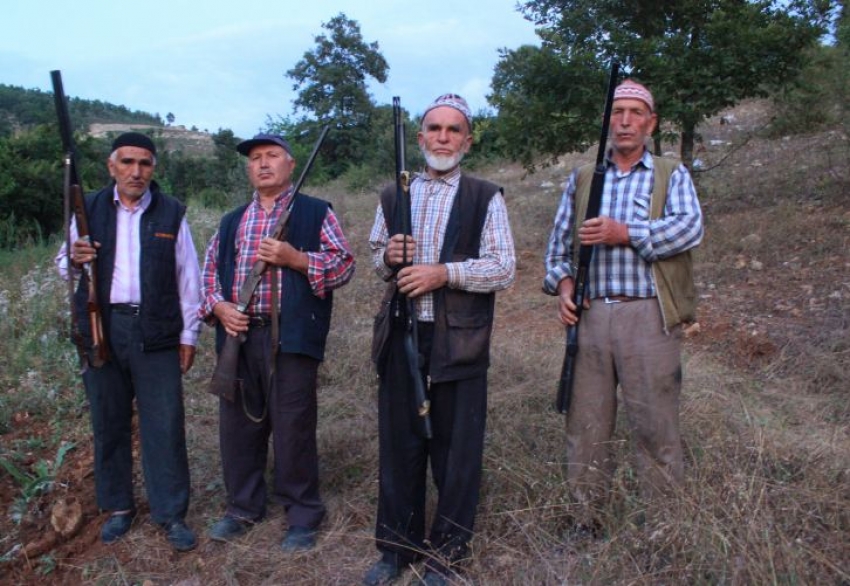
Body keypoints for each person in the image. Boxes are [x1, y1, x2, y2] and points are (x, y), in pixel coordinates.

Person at [364, 94, 516, 586]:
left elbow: (503, 267)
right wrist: (389, 256)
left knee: (456, 449)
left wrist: (442, 273)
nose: (443, 138)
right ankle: (396, 548)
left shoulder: (484, 195)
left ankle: (448, 554)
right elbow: (374, 258)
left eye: (454, 130)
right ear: (421, 136)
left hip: (459, 340)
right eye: (435, 129)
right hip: (403, 333)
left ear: (467, 141)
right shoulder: (394, 195)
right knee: (400, 443)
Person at [543, 80, 704, 532]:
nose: (626, 121)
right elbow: (557, 249)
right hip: (591, 318)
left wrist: (626, 233)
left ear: (651, 123)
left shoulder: (671, 173)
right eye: (618, 112)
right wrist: (565, 285)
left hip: (648, 315)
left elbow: (690, 228)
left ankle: (664, 526)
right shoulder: (583, 178)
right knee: (586, 428)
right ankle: (584, 522)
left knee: (655, 427)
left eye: (636, 112)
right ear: (607, 122)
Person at [199, 132, 355, 552]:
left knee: (294, 426)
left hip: (292, 337)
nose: (263, 163)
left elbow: (343, 265)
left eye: (272, 156)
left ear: (290, 165)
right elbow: (210, 273)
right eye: (255, 158)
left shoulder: (316, 211)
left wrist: (296, 259)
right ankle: (241, 508)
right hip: (239, 335)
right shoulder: (232, 220)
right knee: (238, 428)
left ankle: (302, 514)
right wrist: (219, 307)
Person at [55, 132, 202, 551]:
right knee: (109, 421)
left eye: (145, 164)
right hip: (101, 329)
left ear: (153, 168)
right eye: (128, 163)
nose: (136, 172)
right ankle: (118, 507)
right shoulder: (89, 209)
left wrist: (188, 335)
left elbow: (187, 278)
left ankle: (170, 513)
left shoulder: (171, 212)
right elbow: (64, 266)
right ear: (111, 166)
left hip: (155, 330)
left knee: (164, 424)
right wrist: (75, 257)